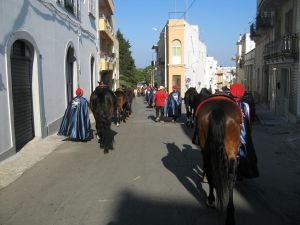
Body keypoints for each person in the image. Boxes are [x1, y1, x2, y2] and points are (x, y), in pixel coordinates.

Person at [230, 83, 259, 179]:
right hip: (243, 134)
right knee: (246, 152)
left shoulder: (228, 104)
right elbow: (249, 121)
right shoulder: (246, 105)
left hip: (230, 133)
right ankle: (243, 171)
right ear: (241, 93)